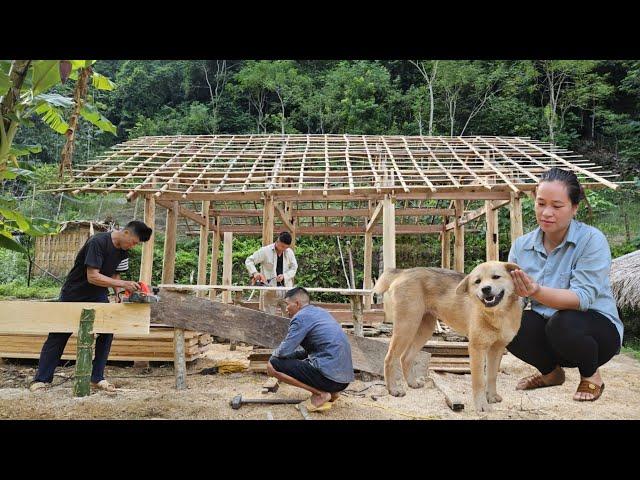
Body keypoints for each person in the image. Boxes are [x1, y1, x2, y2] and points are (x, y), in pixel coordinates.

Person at [506, 168, 623, 402]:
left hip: (595, 335)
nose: (546, 213)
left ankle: (591, 377)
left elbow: (582, 299)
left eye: (557, 206)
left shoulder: (591, 240)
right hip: (551, 334)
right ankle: (551, 373)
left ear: (574, 208)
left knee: (564, 321)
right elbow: (513, 297)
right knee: (509, 322)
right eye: (541, 204)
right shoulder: (522, 246)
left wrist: (536, 291)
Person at [29, 220, 153, 393]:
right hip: (74, 292)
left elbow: (115, 274)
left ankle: (97, 377)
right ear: (126, 233)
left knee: (107, 332)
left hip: (98, 295)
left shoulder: (123, 252)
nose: (132, 246)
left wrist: (117, 292)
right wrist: (124, 284)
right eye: (133, 242)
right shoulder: (98, 242)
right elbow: (92, 276)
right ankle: (41, 379)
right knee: (58, 334)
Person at [267, 287, 354, 412]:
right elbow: (315, 349)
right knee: (297, 356)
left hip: (330, 379)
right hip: (343, 381)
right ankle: (333, 393)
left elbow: (284, 351)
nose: (286, 309)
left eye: (287, 305)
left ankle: (320, 394)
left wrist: (273, 355)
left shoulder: (300, 317)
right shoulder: (320, 312)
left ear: (297, 303)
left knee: (273, 363)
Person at [245, 231, 298, 315]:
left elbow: (294, 267)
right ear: (277, 241)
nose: (283, 249)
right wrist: (255, 273)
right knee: (269, 319)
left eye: (285, 247)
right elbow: (249, 261)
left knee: (290, 317)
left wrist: (285, 276)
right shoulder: (265, 251)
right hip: (270, 290)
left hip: (287, 291)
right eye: (282, 246)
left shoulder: (289, 252)